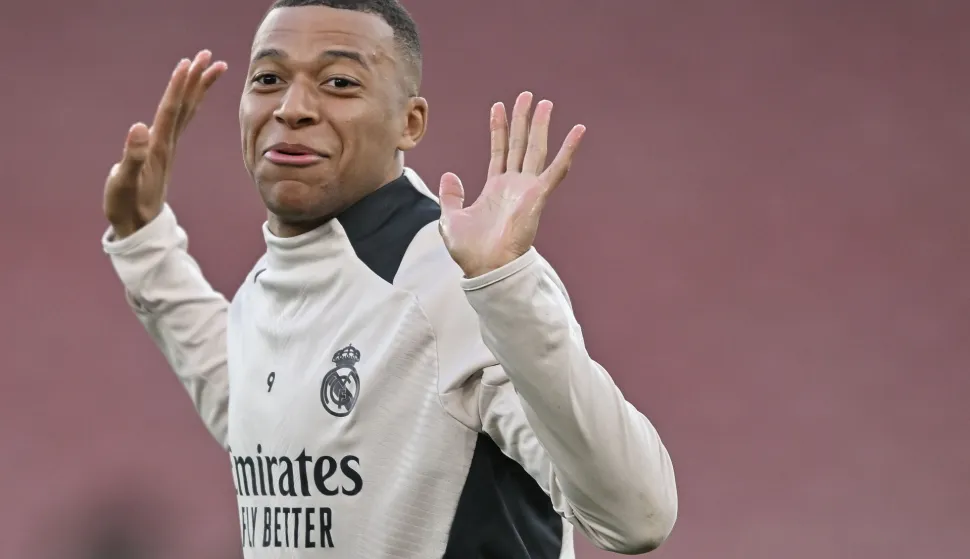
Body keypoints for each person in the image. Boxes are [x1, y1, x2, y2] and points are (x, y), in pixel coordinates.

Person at [101, 0, 678, 557]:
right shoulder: (268, 285)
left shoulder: (455, 279)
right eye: (269, 79)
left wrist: (507, 288)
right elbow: (259, 413)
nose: (292, 108)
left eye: (339, 83)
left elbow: (634, 515)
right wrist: (142, 239)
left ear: (410, 122)